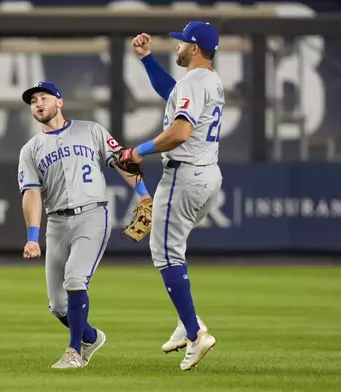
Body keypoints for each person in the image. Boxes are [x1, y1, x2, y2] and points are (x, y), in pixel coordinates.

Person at [17, 81, 151, 369]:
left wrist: (144, 196)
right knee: (57, 305)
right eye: (33, 101)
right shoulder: (30, 149)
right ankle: (91, 336)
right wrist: (32, 237)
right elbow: (31, 193)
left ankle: (74, 351)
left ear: (60, 102)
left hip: (92, 215)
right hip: (56, 222)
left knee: (75, 279)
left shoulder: (91, 130)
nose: (38, 103)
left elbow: (121, 161)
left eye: (43, 97)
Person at [118, 21, 223, 370]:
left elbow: (179, 131)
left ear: (194, 48)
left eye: (181, 43)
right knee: (173, 248)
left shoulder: (195, 81)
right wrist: (147, 59)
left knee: (163, 252)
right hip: (208, 175)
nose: (176, 46)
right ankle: (186, 319)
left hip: (184, 174)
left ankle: (195, 333)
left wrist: (138, 151)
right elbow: (172, 92)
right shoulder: (209, 80)